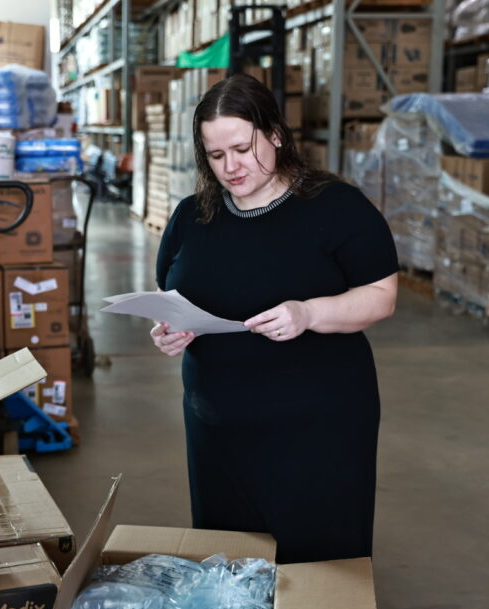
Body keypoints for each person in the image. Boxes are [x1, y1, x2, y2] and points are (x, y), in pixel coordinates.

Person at [150, 74, 398, 564]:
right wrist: (169, 328)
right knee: (229, 562)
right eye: (216, 156)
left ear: (277, 135)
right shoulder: (191, 216)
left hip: (317, 429)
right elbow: (170, 293)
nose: (231, 167)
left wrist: (310, 312)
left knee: (318, 561)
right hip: (218, 430)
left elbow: (381, 296)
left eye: (243, 149)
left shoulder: (335, 208)